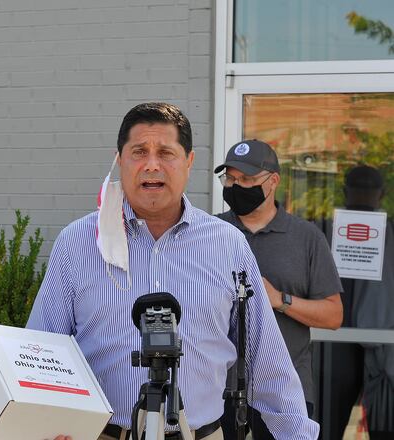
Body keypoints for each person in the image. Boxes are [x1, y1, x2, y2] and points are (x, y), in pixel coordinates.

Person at [29, 103, 317, 440]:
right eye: (139, 152)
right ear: (120, 160)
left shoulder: (228, 245)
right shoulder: (78, 243)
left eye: (166, 152)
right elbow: (42, 350)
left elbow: (268, 365)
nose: (152, 165)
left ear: (189, 161)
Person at [214, 139, 343, 439]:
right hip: (217, 387)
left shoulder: (306, 237)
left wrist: (279, 300)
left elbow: (333, 315)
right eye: (230, 179)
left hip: (286, 391)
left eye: (246, 179)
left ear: (273, 181)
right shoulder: (211, 232)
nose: (235, 186)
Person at [338, 165, 394, 440]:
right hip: (337, 345)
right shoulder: (327, 231)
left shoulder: (326, 231)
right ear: (382, 194)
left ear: (344, 192)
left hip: (341, 349)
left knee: (326, 427)